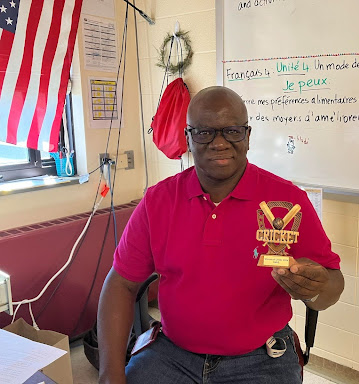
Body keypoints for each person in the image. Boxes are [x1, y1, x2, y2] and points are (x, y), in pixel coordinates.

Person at [97, 86, 344, 384]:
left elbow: (330, 288)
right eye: (204, 132)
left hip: (261, 359)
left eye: (232, 131)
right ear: (188, 137)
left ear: (248, 136)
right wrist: (110, 375)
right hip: (172, 355)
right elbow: (121, 284)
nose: (219, 143)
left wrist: (315, 289)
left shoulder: (288, 202)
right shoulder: (158, 201)